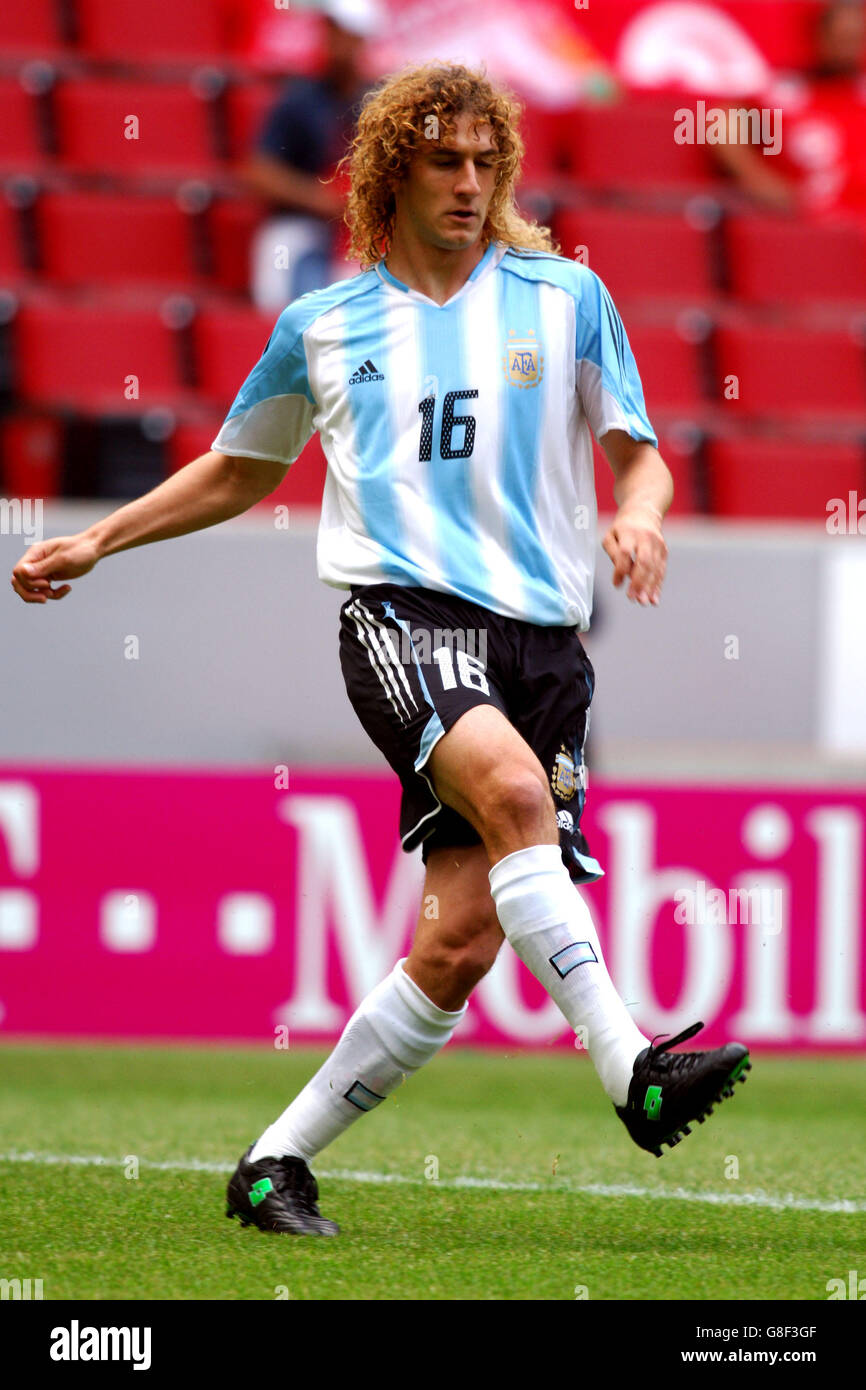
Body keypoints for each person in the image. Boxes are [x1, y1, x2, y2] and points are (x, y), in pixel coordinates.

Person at [11, 62, 751, 1239]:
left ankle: (272, 1162)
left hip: (544, 648)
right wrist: (97, 538)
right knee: (511, 792)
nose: (468, 183)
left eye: (483, 162)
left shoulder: (565, 298)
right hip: (402, 620)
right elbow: (242, 467)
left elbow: (639, 451)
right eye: (443, 160)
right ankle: (629, 1066)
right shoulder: (324, 323)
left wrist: (641, 512)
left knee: (457, 940)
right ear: (388, 174)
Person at [243, 0, 383, 306]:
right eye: (328, 29)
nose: (331, 39)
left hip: (366, 232)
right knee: (282, 271)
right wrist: (321, 199)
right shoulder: (299, 99)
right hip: (302, 226)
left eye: (339, 30)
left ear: (360, 37)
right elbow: (259, 172)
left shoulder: (385, 102)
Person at [713, 0, 866, 218]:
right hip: (811, 224)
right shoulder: (787, 93)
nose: (847, 48)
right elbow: (723, 120)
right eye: (841, 38)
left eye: (854, 39)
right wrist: (756, 178)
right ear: (820, 37)